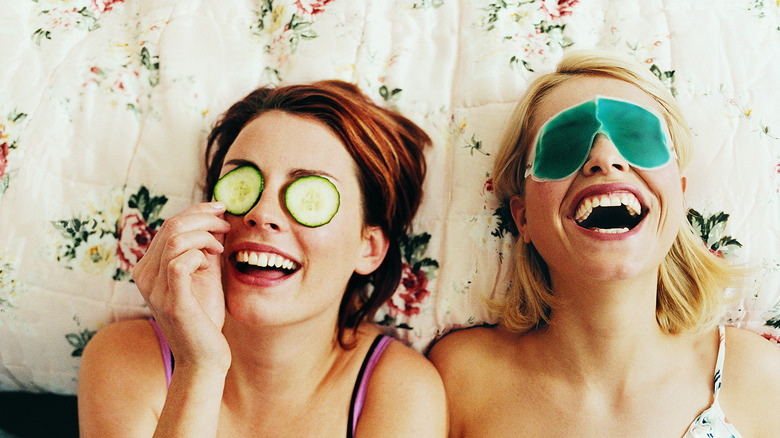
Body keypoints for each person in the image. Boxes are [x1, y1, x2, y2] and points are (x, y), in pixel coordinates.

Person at [428, 49, 780, 437]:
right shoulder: (456, 381)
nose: (605, 158)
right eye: (564, 143)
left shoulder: (760, 379)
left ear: (680, 198)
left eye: (636, 137)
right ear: (522, 216)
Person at [78, 80, 447, 437]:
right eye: (242, 183)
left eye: (309, 195)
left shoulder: (401, 391)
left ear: (369, 248)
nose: (261, 212)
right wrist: (198, 367)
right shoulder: (125, 357)